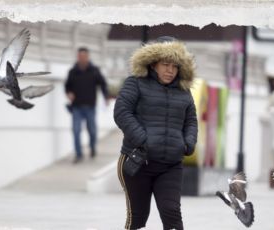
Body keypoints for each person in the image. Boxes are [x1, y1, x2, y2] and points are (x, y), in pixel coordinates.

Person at [114, 36, 198, 230]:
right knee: (138, 217)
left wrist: (188, 143)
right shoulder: (135, 83)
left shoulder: (183, 90)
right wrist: (144, 140)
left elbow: (191, 120)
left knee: (172, 214)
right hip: (137, 162)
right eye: (165, 64)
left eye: (175, 66)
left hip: (170, 165)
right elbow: (121, 112)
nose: (170, 70)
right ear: (153, 64)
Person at [65, 47, 109, 164]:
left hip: (90, 106)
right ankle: (78, 154)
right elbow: (67, 86)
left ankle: (92, 147)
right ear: (78, 57)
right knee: (76, 130)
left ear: (87, 57)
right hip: (76, 107)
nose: (82, 58)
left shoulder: (94, 70)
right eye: (80, 56)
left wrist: (105, 97)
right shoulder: (72, 71)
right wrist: (68, 93)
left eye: (84, 56)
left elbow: (103, 84)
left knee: (92, 131)